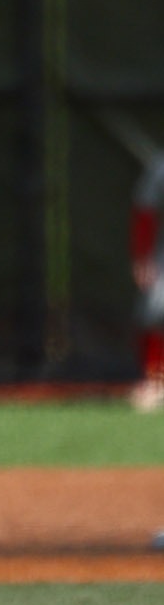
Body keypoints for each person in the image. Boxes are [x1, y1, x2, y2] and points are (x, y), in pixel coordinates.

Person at [130, 154, 164, 415]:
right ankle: (156, 382)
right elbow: (145, 210)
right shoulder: (160, 166)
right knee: (156, 310)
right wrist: (142, 257)